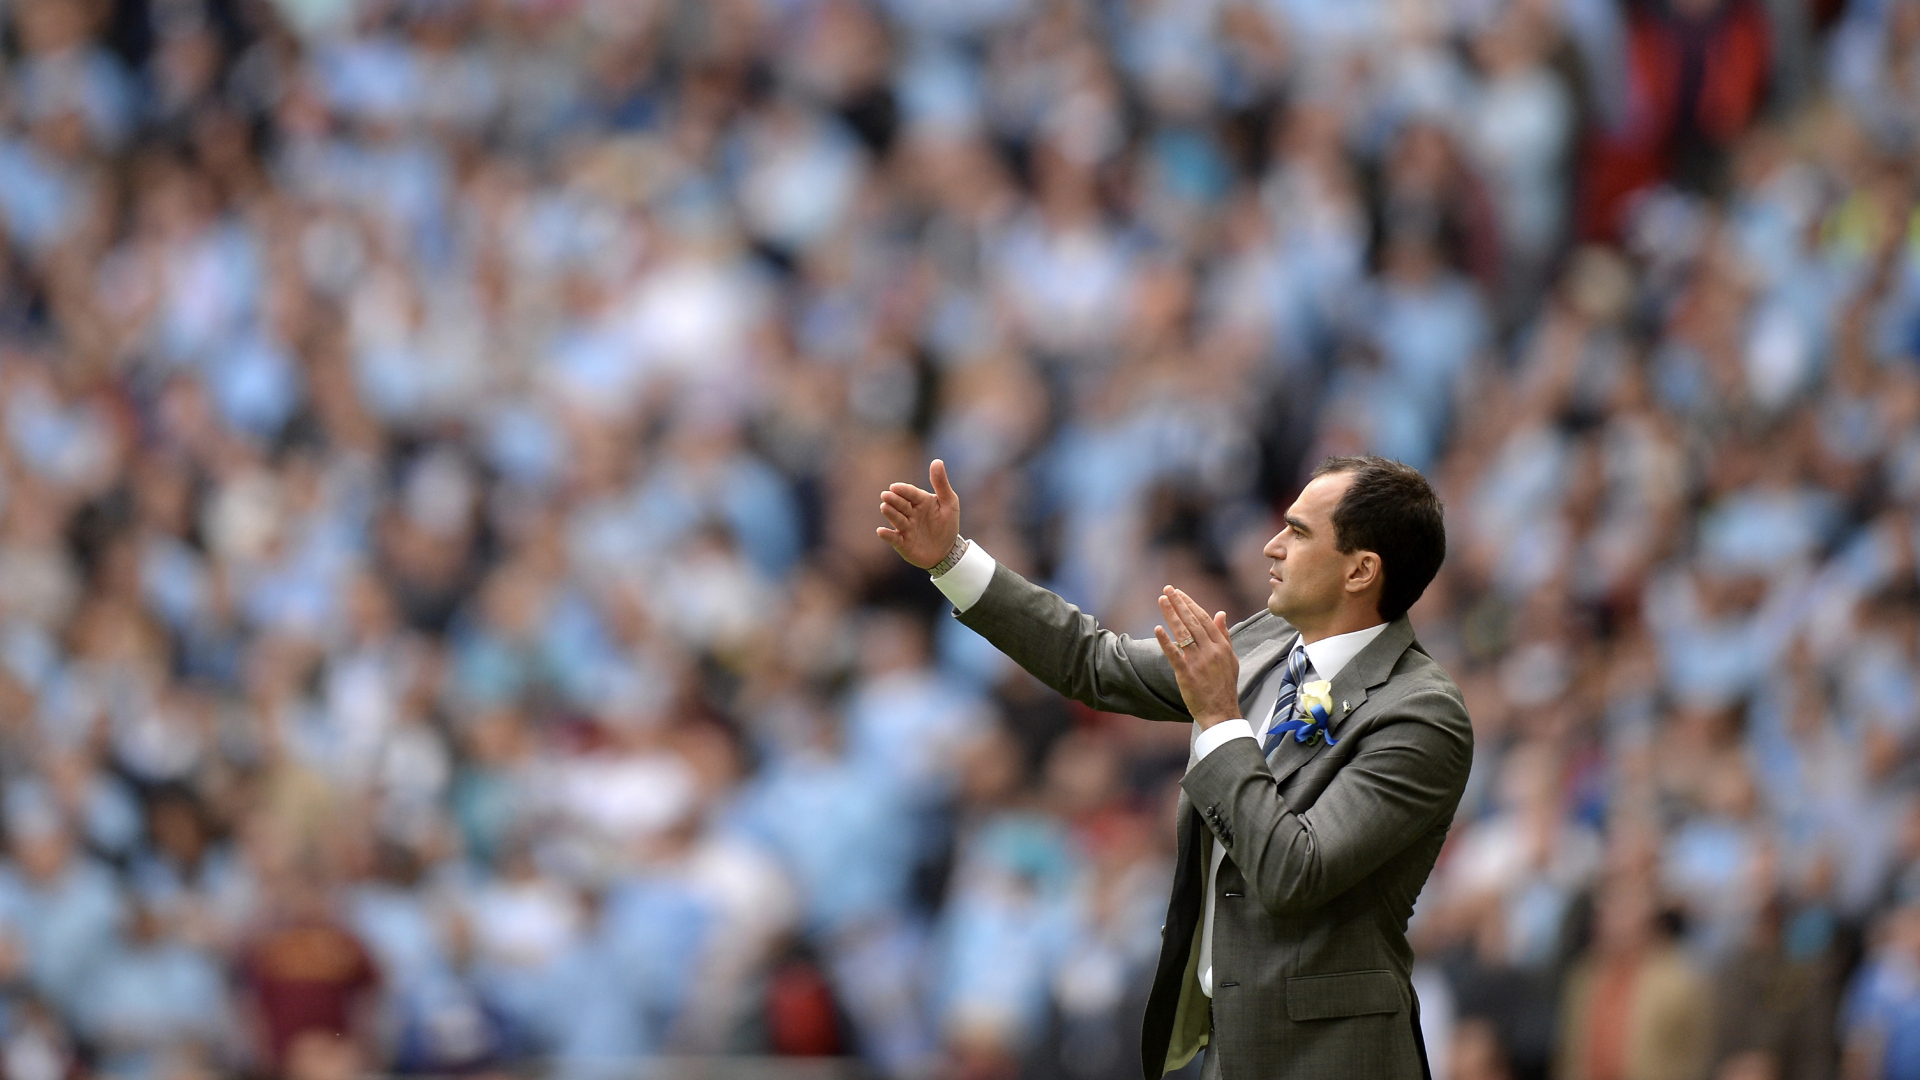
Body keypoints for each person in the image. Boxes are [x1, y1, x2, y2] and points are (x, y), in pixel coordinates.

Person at [878, 455, 1473, 1080]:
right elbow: (1096, 662)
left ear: (1361, 569)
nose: (1271, 546)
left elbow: (1295, 871)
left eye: (1298, 532)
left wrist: (1219, 717)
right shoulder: (1266, 642)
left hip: (1335, 1060)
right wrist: (952, 560)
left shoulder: (1421, 714)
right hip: (1228, 1049)